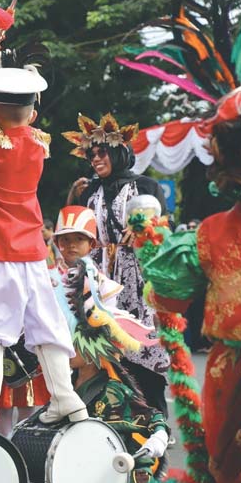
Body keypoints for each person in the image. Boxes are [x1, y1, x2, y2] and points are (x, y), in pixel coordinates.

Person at [135, 86, 241, 483]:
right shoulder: (208, 235)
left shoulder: (208, 235)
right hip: (236, 380)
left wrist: (149, 251)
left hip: (237, 382)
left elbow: (167, 298)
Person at [0, 63, 87, 428]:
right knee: (47, 324)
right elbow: (10, 121)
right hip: (32, 252)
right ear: (32, 111)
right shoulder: (36, 143)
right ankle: (66, 398)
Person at [63, 113, 170, 419]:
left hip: (137, 276)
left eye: (102, 152)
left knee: (142, 344)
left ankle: (155, 417)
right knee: (100, 346)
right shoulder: (88, 191)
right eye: (90, 154)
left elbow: (163, 228)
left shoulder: (146, 185)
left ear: (120, 152)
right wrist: (74, 197)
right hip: (99, 277)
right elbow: (76, 233)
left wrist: (143, 228)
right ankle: (107, 416)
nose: (95, 159)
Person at [58, 256, 168, 483]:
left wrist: (157, 439)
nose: (62, 349)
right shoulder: (64, 382)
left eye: (70, 344)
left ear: (90, 348)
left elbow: (153, 420)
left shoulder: (112, 390)